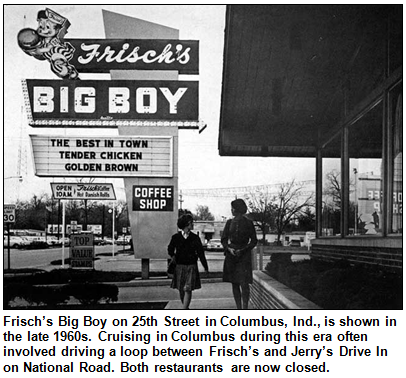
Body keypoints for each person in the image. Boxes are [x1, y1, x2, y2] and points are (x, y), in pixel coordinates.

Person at [221, 198, 257, 309]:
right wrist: (229, 249)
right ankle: (238, 308)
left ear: (237, 209)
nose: (231, 210)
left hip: (244, 256)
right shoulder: (229, 222)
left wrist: (244, 250)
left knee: (244, 283)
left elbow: (254, 240)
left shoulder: (248, 223)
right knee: (234, 283)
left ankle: (245, 308)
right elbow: (224, 239)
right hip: (231, 256)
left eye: (233, 208)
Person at [168, 214, 209, 309]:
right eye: (191, 223)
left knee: (188, 289)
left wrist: (205, 267)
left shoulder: (195, 238)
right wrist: (173, 256)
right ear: (186, 224)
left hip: (191, 266)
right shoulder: (176, 237)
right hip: (179, 266)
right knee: (181, 289)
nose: (193, 224)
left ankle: (184, 310)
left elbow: (201, 254)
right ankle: (186, 308)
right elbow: (170, 249)